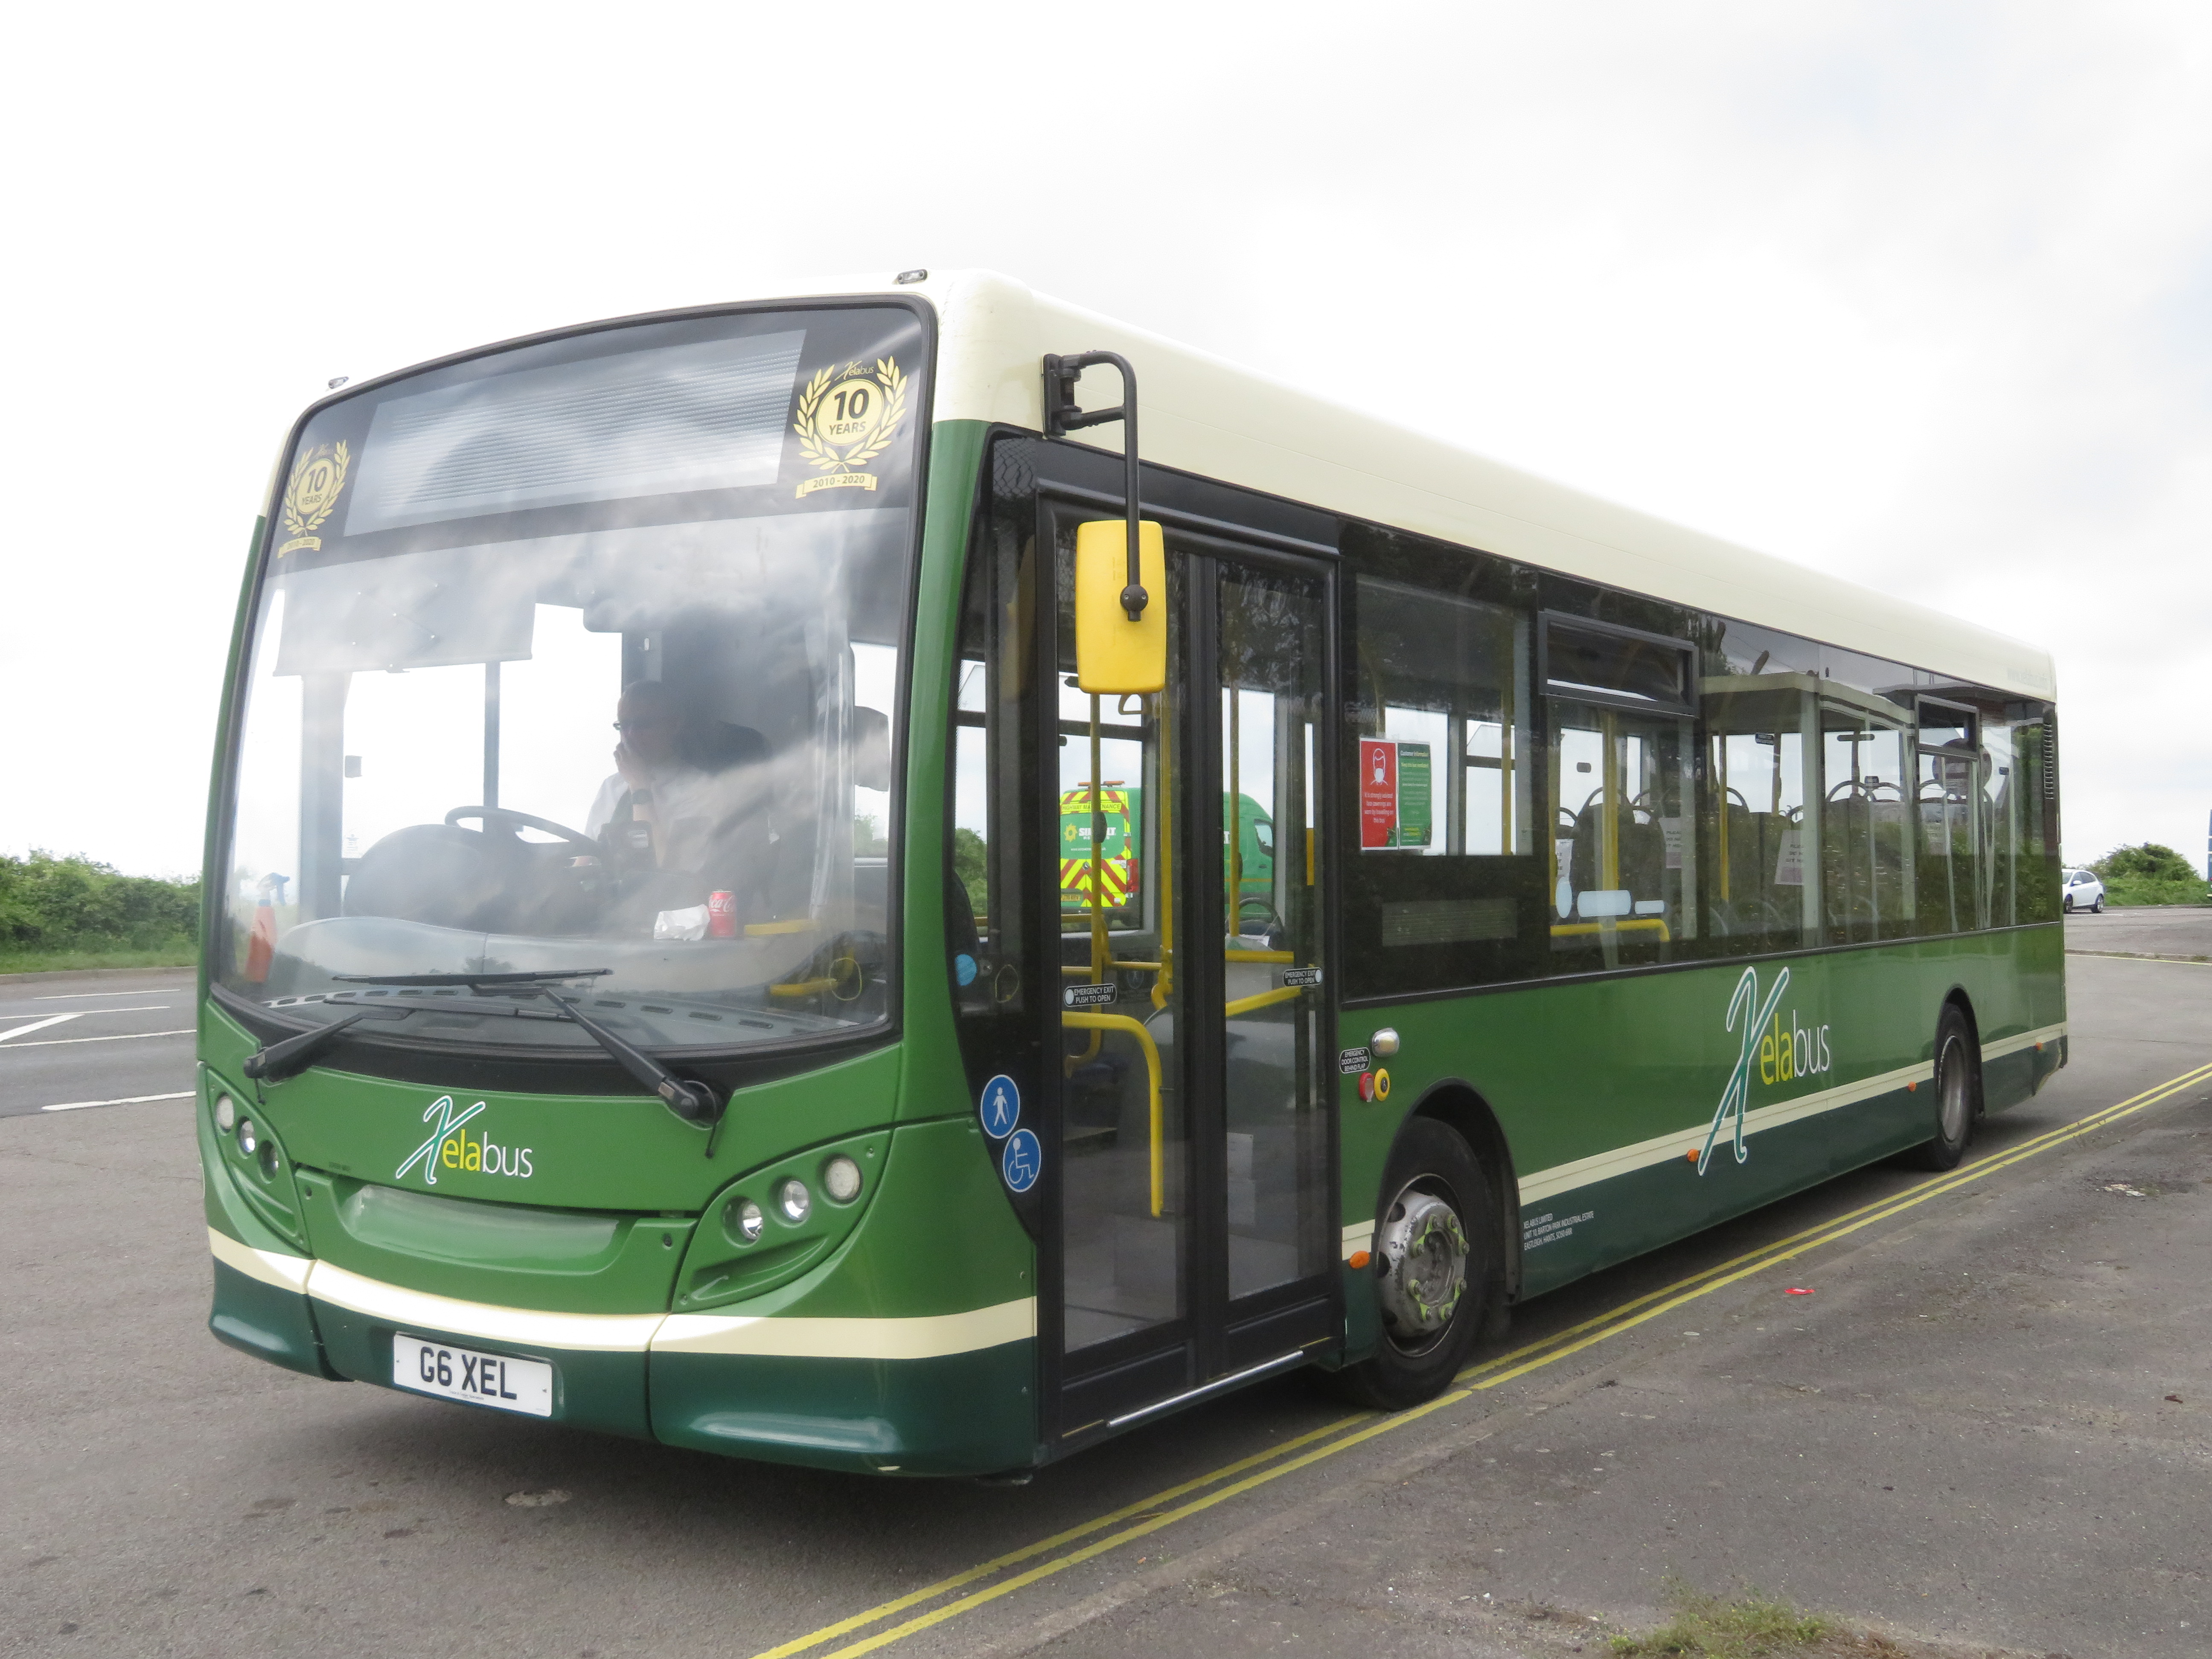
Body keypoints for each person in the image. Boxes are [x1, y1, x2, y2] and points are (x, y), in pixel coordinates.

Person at [585, 680, 722, 873]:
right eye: (624, 725)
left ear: (674, 726)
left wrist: (640, 788)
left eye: (643, 725)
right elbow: (587, 856)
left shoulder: (700, 790)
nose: (630, 735)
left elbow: (667, 869)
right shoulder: (611, 786)